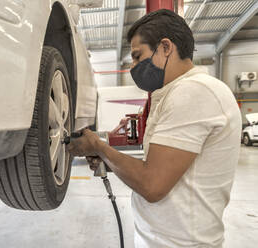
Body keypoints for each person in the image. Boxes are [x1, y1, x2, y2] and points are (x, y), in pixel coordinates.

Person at [67, 9, 242, 248]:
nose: (133, 67)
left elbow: (152, 184)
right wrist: (109, 158)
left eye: (138, 56)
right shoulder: (176, 93)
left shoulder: (195, 92)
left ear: (166, 47)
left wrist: (98, 146)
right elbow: (159, 168)